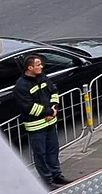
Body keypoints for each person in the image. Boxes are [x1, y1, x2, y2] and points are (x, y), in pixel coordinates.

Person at [16, 55, 69, 187]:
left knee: (53, 150)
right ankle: (47, 182)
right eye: (38, 65)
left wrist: (54, 107)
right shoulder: (21, 86)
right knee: (41, 154)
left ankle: (57, 176)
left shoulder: (42, 77)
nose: (41, 67)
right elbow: (29, 107)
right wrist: (49, 112)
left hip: (50, 123)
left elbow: (54, 92)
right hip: (36, 127)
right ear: (30, 68)